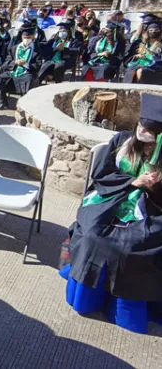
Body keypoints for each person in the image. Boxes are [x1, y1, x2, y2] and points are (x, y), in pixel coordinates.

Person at [61, 94, 162, 334]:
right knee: (93, 234)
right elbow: (101, 175)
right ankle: (89, 299)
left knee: (134, 245)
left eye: (149, 130)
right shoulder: (122, 141)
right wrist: (133, 181)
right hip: (108, 199)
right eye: (141, 125)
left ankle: (123, 306)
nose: (142, 131)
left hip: (150, 210)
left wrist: (154, 187)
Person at [0, 25, 41, 109]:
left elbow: (38, 64)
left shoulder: (37, 49)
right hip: (14, 70)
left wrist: (26, 64)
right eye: (25, 37)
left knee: (29, 79)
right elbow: (6, 63)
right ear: (22, 36)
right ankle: (3, 101)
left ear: (33, 37)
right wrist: (15, 62)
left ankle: (25, 104)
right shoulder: (14, 48)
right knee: (0, 78)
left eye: (29, 37)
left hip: (28, 71)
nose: (26, 39)